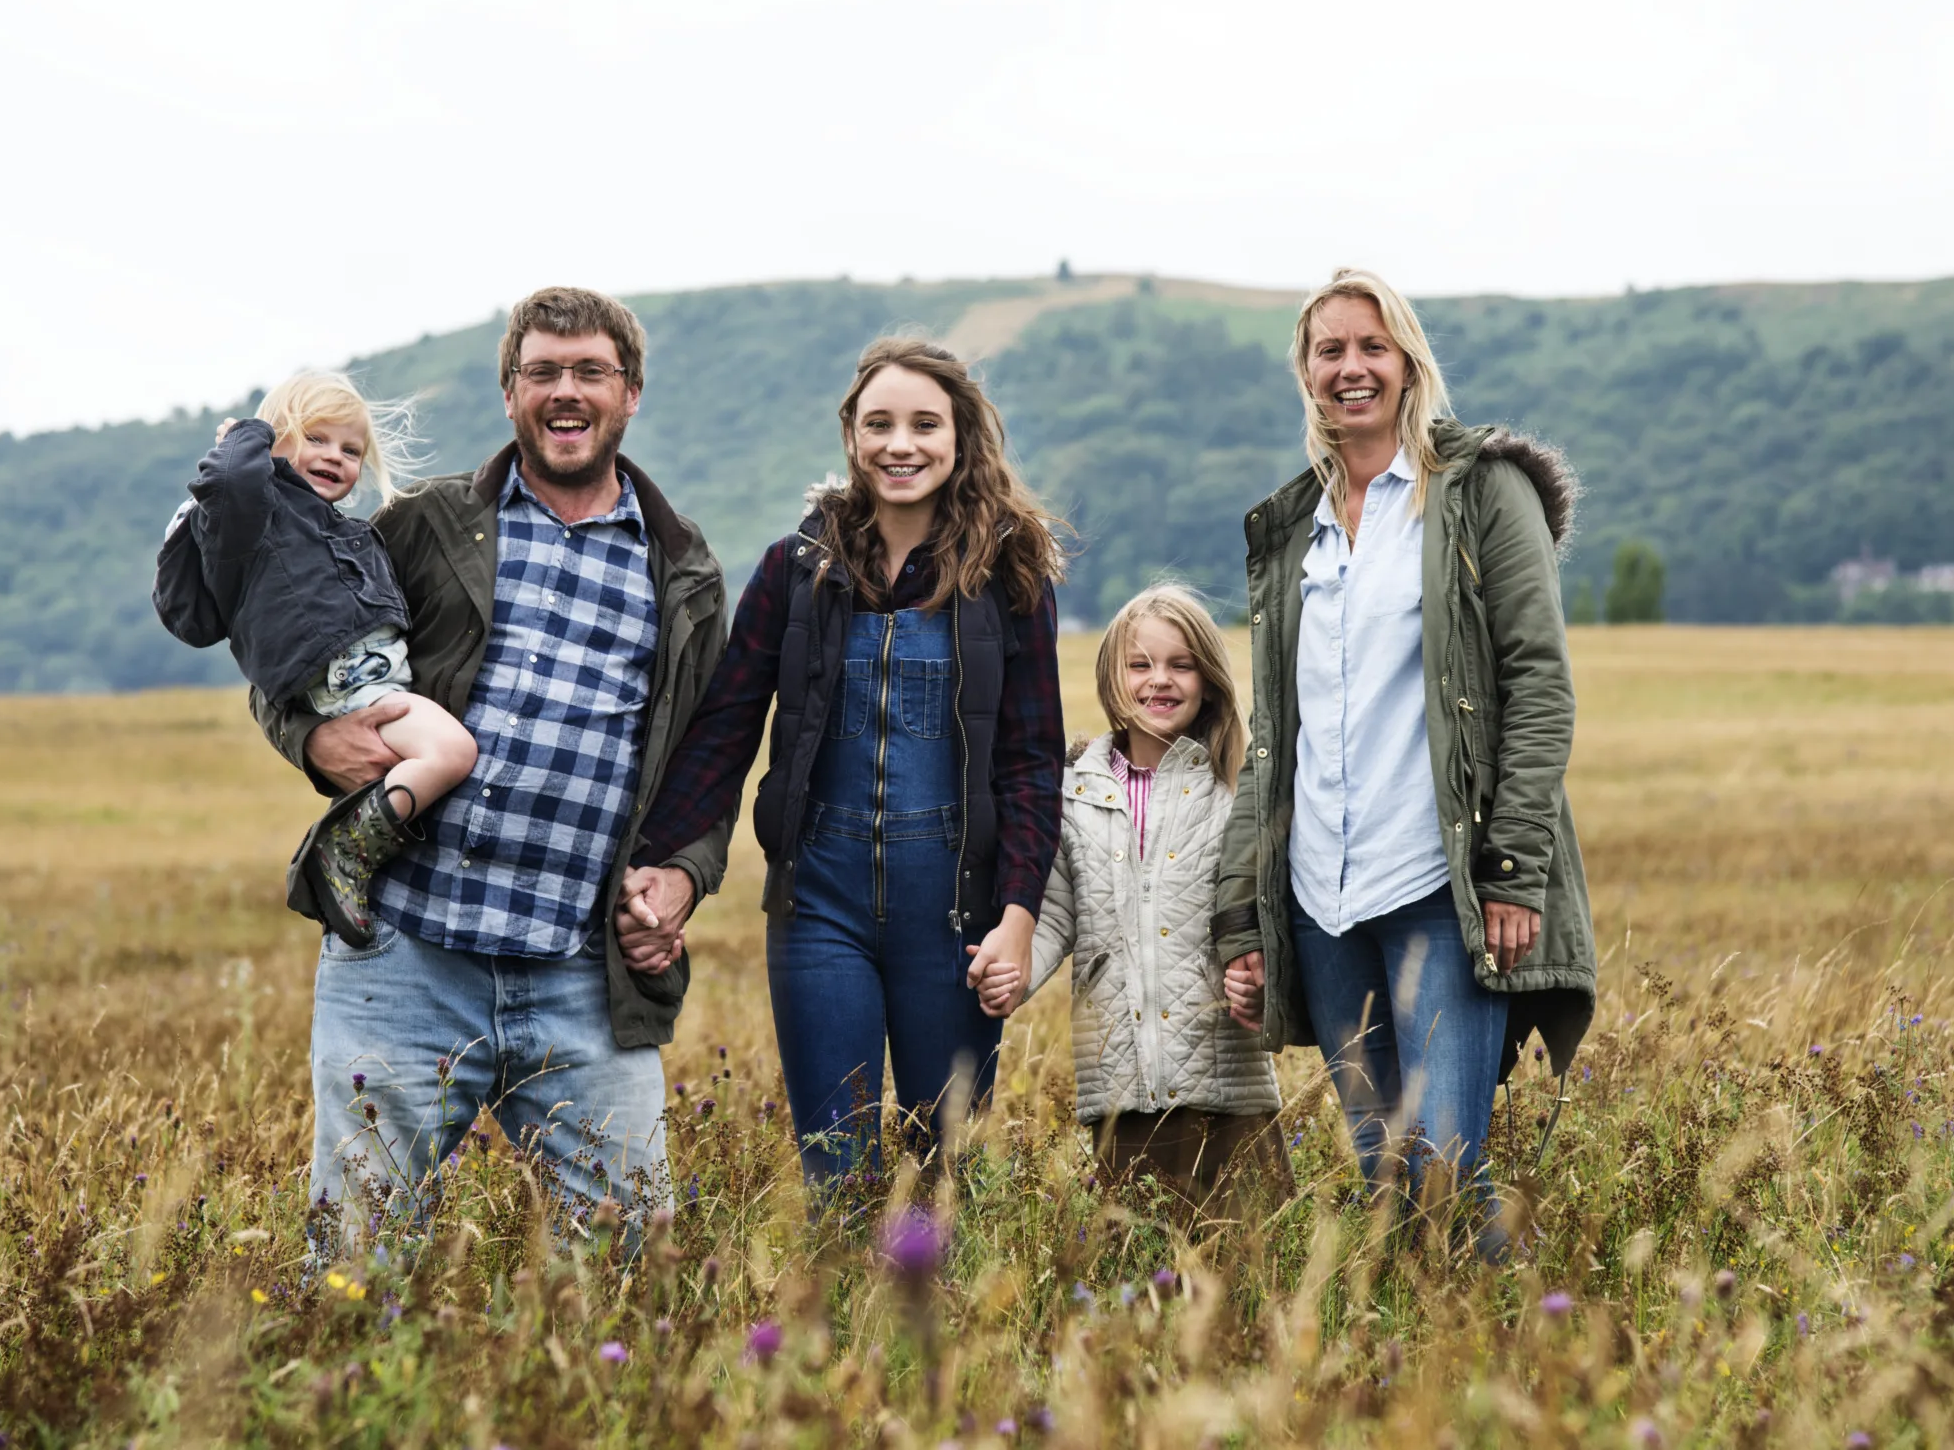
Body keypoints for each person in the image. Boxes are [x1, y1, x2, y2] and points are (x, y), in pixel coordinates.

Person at [246, 287, 732, 1239]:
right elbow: (290, 639)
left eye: (589, 370)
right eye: (542, 371)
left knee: (639, 1264)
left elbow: (704, 761)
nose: (566, 390)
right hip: (406, 959)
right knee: (358, 1258)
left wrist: (683, 874)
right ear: (508, 391)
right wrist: (308, 736)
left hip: (580, 974)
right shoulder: (425, 525)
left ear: (631, 392)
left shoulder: (682, 566)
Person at [625, 336, 1065, 1190]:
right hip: (818, 905)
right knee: (839, 1169)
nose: (901, 444)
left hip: (956, 914)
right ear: (851, 438)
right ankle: (844, 1325)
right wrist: (664, 862)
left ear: (961, 437)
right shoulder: (798, 569)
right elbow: (726, 725)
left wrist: (1017, 914)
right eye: (880, 424)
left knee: (946, 1166)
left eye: (924, 424)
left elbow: (1030, 760)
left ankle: (940, 1325)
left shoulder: (1009, 573)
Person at [1213, 267, 1596, 1246]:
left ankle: (1513, 1361)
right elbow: (1274, 734)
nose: (1351, 367)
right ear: (1305, 373)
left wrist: (1514, 865)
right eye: (1328, 350)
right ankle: (1421, 1378)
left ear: (1408, 362)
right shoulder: (1288, 525)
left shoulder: (1477, 493)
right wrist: (1240, 914)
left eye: (1370, 347)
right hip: (1321, 896)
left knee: (1441, 1161)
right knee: (1384, 1169)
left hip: (1436, 879)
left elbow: (1537, 682)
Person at [154, 372, 478, 946]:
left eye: (350, 449)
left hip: (373, 681)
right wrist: (245, 435)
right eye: (316, 438)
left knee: (421, 767)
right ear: (273, 444)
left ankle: (360, 854)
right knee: (453, 751)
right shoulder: (258, 520)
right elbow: (228, 482)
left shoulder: (339, 530)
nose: (335, 456)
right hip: (348, 685)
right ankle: (342, 853)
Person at [1007, 582, 1293, 1219]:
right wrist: (1014, 974)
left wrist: (1267, 982)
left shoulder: (1235, 791)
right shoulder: (1073, 790)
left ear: (1208, 679)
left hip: (1229, 1088)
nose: (1159, 681)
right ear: (1113, 674)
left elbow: (1270, 913)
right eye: (1141, 664)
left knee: (1252, 1279)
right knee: (1139, 1283)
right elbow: (1053, 912)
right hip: (1122, 1090)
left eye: (1180, 664)